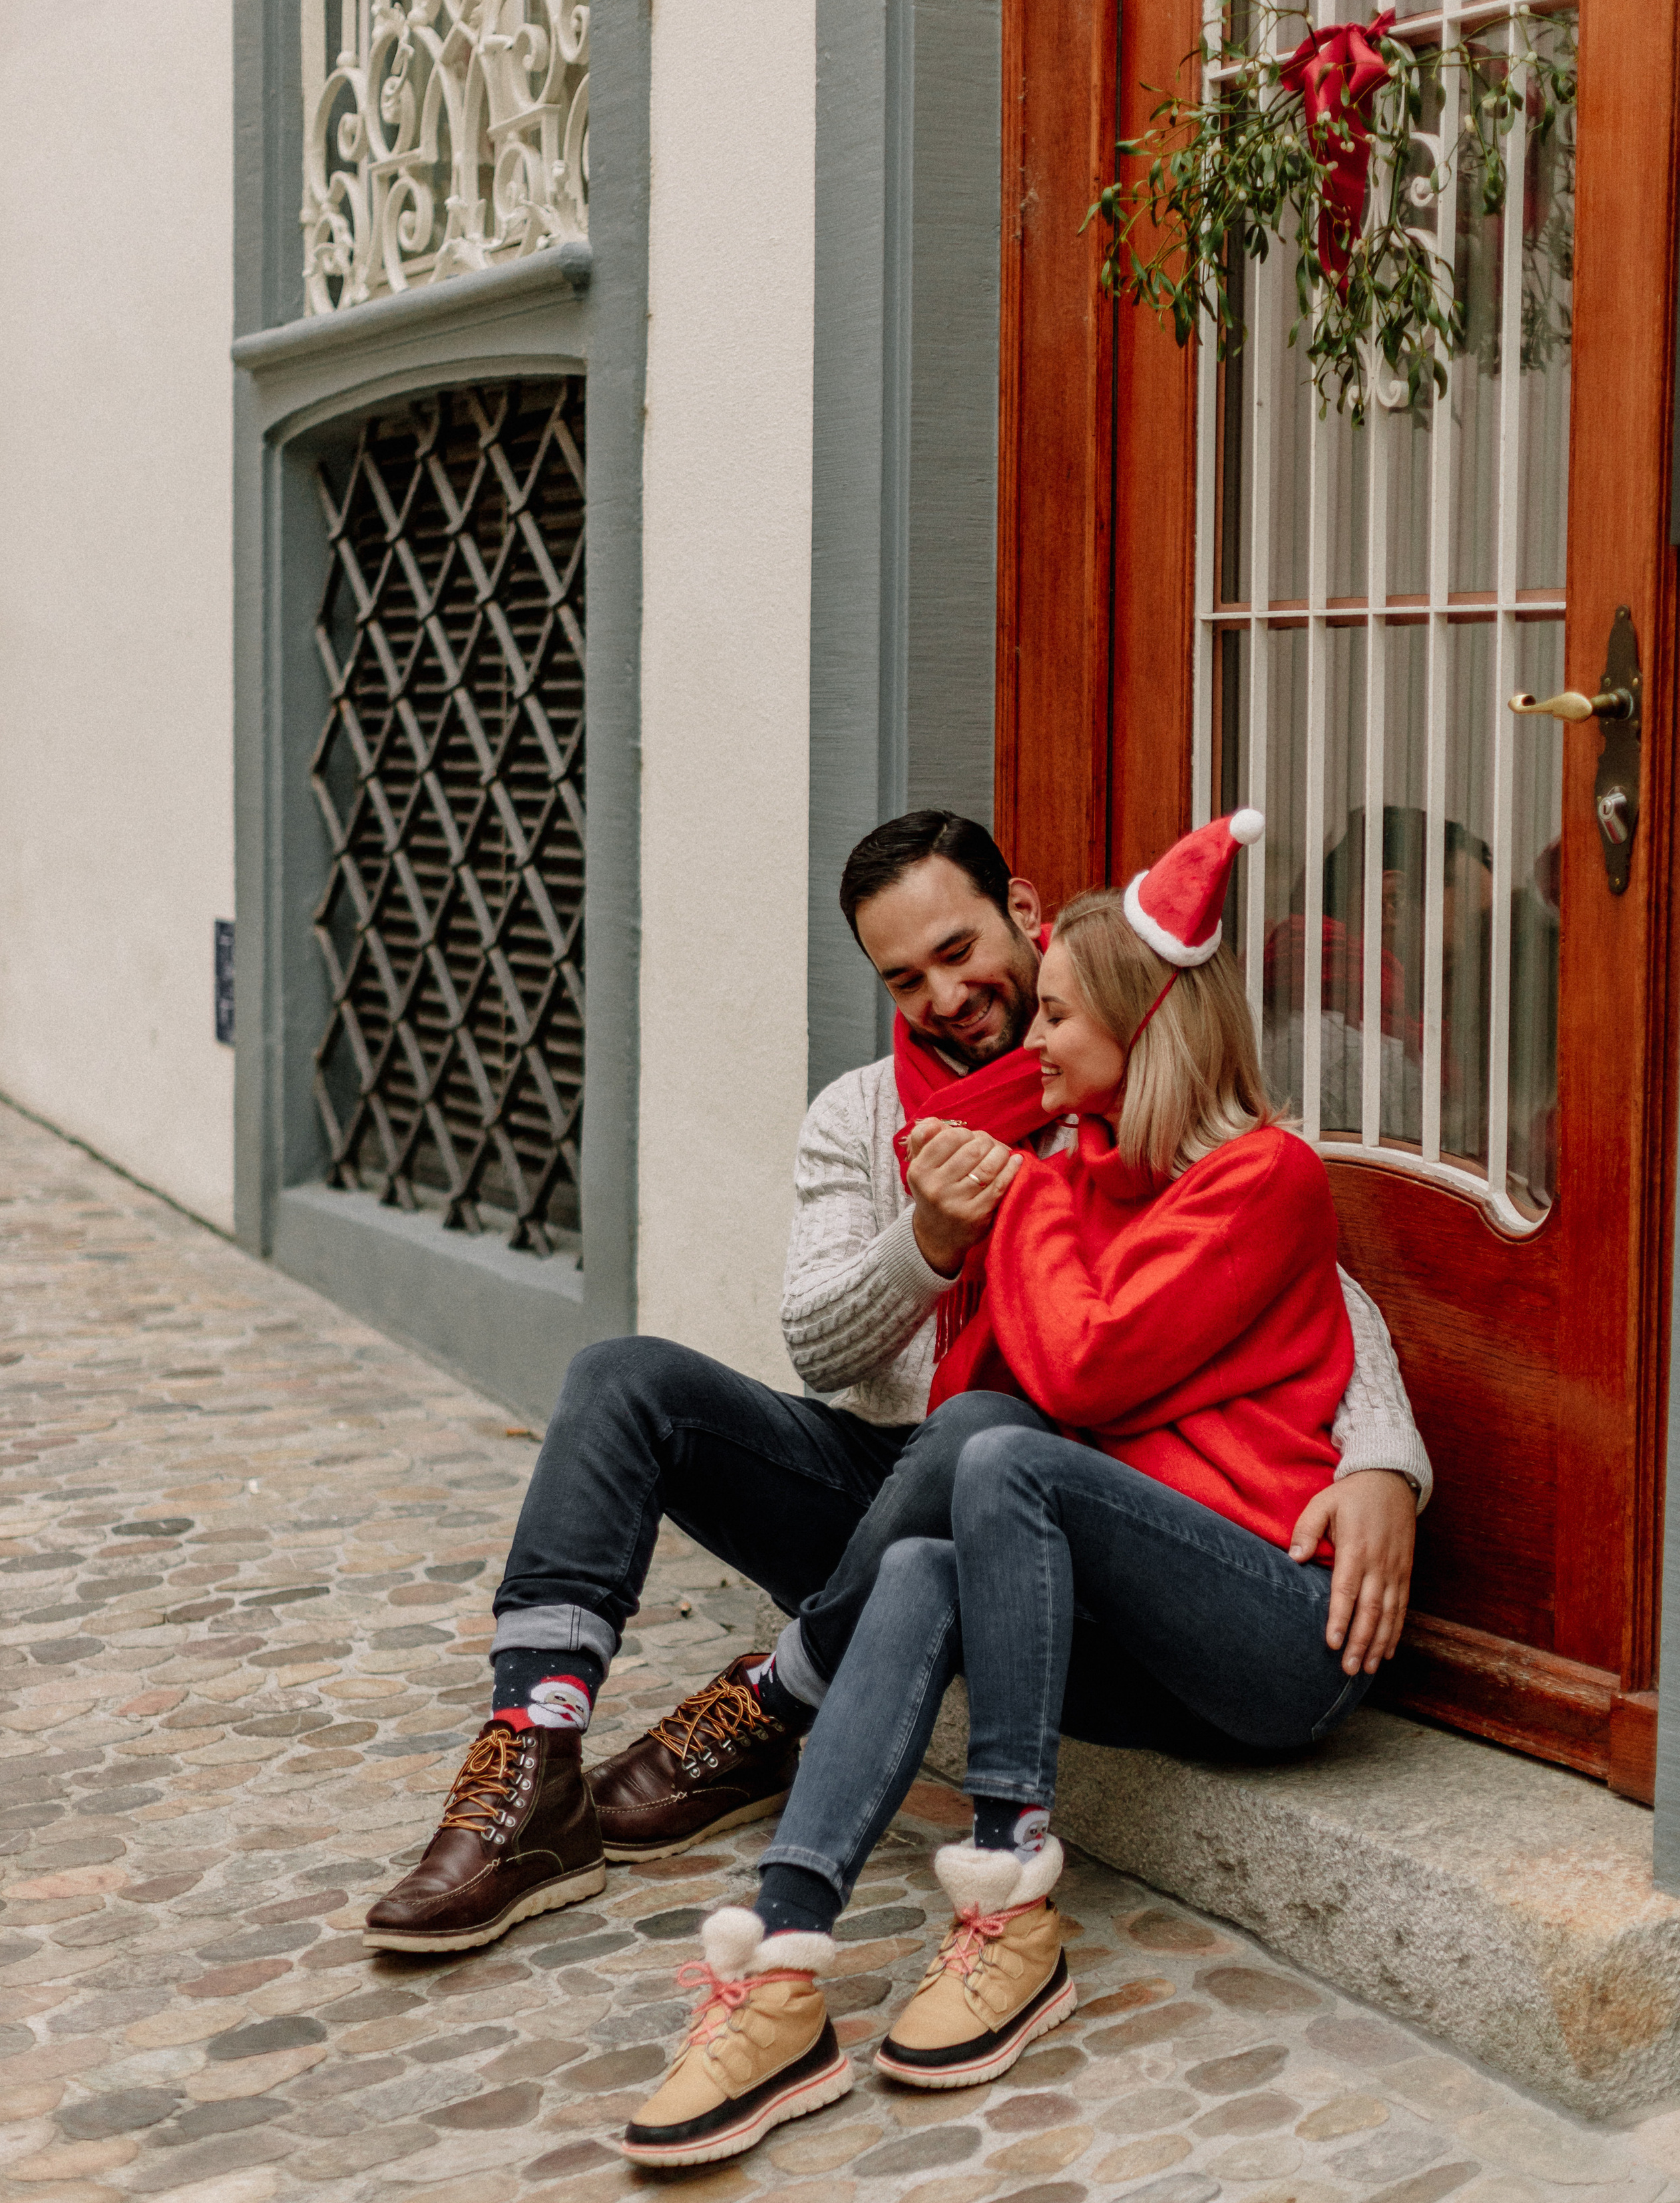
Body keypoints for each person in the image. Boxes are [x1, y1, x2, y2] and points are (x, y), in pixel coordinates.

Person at [365, 811, 1428, 1956]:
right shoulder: (860, 1115)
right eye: (905, 977)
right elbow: (822, 1347)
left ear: (1022, 913)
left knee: (990, 1425)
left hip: (1031, 1494)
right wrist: (925, 1242)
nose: (946, 996)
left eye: (962, 951)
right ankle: (534, 1751)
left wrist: (1384, 1458)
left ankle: (782, 1692)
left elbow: (1299, 1289)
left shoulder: (1121, 1084)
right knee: (623, 1379)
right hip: (887, 1474)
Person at [621, 809, 1392, 2167]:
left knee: (996, 1450)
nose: (1020, 1048)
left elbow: (1078, 1375)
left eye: (1053, 1017)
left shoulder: (1259, 1179)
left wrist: (1387, 1458)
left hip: (1281, 1630)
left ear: (1144, 1021)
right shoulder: (1087, 1175)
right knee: (923, 1559)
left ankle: (1009, 1901)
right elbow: (1026, 1364)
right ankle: (782, 1963)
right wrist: (1023, 1203)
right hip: (1136, 1638)